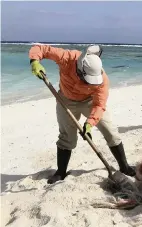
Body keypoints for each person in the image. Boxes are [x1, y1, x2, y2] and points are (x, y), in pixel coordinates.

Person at [29, 44, 136, 184]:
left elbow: (99, 105)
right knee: (67, 137)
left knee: (111, 132)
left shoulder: (102, 81)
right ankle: (61, 172)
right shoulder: (67, 57)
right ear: (79, 69)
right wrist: (35, 62)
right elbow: (40, 49)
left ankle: (124, 166)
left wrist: (89, 124)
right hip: (66, 100)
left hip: (90, 101)